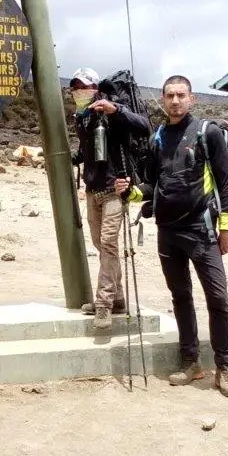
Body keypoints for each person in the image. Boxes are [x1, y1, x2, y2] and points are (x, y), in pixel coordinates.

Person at [115, 75, 228, 398]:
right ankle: (191, 363)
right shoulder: (158, 137)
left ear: (191, 99)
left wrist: (225, 227)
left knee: (218, 299)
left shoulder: (206, 132)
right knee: (181, 298)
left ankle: (225, 368)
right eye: (169, 95)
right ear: (163, 99)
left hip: (201, 231)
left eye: (180, 95)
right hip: (167, 232)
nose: (174, 101)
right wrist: (130, 192)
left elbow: (226, 184)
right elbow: (151, 185)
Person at [69, 67, 151, 331]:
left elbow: (144, 127)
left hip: (115, 188)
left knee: (108, 243)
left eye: (85, 87)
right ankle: (117, 298)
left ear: (96, 89)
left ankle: (103, 304)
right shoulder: (82, 117)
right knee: (100, 244)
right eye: (75, 87)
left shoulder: (113, 112)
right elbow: (86, 150)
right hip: (92, 189)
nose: (79, 92)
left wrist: (116, 110)